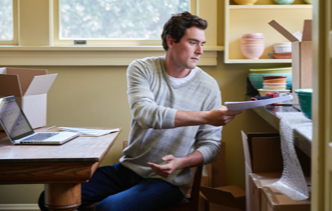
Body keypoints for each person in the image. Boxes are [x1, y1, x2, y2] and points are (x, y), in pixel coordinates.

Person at [38, 11, 242, 211]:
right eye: (193, 42)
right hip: (127, 170)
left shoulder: (208, 86)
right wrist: (206, 117)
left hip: (168, 181)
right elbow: (145, 114)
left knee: (109, 208)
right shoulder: (142, 68)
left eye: (202, 44)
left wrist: (182, 162)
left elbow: (211, 146)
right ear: (171, 41)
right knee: (52, 198)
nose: (200, 50)